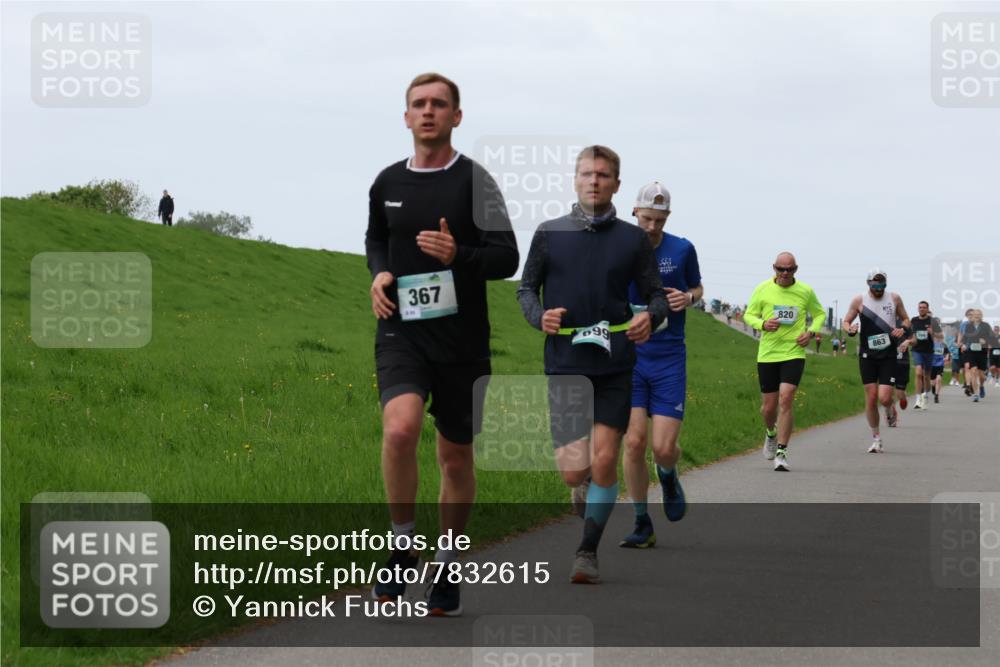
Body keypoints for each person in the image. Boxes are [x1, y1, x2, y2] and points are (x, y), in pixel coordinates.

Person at [365, 72, 519, 616]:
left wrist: (459, 257)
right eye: (418, 104)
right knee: (400, 427)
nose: (427, 112)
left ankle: (448, 564)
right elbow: (377, 238)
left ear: (456, 116)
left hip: (462, 341)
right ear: (406, 117)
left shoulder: (476, 184)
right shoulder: (387, 182)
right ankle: (403, 543)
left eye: (439, 104)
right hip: (401, 329)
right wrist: (379, 274)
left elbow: (507, 258)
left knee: (456, 458)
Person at [517, 145, 668, 584]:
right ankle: (580, 487)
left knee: (605, 461)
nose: (594, 181)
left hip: (615, 364)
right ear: (575, 179)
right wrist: (537, 316)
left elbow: (656, 295)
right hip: (565, 362)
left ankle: (587, 551)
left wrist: (649, 316)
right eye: (587, 173)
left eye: (603, 175)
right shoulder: (549, 233)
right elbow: (526, 289)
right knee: (573, 469)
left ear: (616, 184)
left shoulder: (633, 238)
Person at [618, 182, 703, 549]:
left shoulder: (682, 249)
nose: (652, 226)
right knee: (634, 442)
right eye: (647, 218)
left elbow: (698, 289)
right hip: (631, 357)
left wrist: (688, 297)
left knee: (663, 448)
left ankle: (667, 474)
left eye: (659, 219)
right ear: (634, 212)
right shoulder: (617, 246)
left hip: (669, 356)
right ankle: (641, 521)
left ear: (667, 217)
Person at [743, 253, 826, 472]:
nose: (785, 273)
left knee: (786, 398)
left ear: (796, 269)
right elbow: (748, 315)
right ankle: (770, 432)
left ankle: (781, 452)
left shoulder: (805, 291)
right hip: (768, 354)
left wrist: (811, 332)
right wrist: (762, 323)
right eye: (781, 269)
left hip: (794, 352)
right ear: (774, 268)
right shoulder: (762, 289)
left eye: (790, 269)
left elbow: (819, 314)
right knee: (768, 408)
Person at [842, 269, 910, 453]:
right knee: (871, 398)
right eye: (875, 285)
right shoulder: (859, 300)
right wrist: (850, 329)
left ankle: (890, 409)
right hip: (867, 354)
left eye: (882, 285)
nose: (879, 289)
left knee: (885, 397)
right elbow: (846, 321)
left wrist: (902, 329)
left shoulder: (894, 298)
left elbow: (906, 319)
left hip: (888, 353)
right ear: (868, 284)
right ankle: (876, 438)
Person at [909, 301, 942, 410]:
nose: (922, 309)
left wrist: (932, 332)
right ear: (918, 309)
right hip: (917, 350)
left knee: (926, 376)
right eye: (920, 307)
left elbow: (940, 335)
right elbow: (911, 333)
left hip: (928, 351)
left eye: (924, 307)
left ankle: (925, 396)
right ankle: (918, 399)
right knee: (918, 373)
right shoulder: (914, 320)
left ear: (927, 309)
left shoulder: (932, 321)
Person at [958, 309, 994, 402]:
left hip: (982, 352)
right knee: (973, 371)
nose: (977, 316)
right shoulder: (969, 326)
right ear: (972, 316)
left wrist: (986, 342)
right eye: (975, 314)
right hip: (971, 351)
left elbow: (992, 338)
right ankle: (975, 394)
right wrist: (964, 345)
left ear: (981, 316)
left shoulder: (986, 325)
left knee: (982, 376)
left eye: (979, 314)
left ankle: (981, 386)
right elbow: (966, 337)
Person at [887, 316, 913, 427]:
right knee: (887, 392)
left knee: (899, 393)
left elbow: (914, 339)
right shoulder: (883, 321)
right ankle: (891, 416)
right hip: (887, 362)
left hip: (902, 363)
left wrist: (907, 341)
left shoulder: (905, 323)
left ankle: (903, 397)